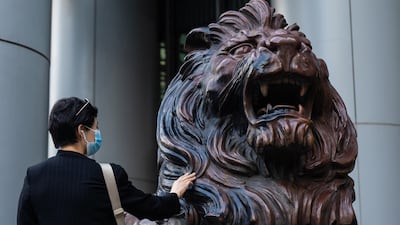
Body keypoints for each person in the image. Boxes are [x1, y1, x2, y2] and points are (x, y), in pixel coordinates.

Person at [17, 97, 196, 225]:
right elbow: (151, 208)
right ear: (81, 131)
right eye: (96, 128)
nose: (98, 133)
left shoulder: (34, 176)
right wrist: (175, 194)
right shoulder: (109, 176)